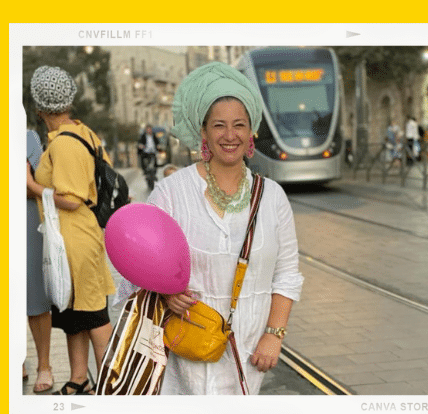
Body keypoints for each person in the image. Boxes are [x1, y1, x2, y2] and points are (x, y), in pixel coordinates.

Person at [117, 62, 303, 395]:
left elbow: (287, 274)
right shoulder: (172, 193)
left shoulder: (272, 197)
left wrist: (273, 336)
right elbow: (138, 262)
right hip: (183, 345)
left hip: (247, 348)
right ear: (203, 131)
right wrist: (165, 292)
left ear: (251, 132)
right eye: (219, 125)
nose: (229, 136)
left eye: (239, 125)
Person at [25, 66, 115, 395]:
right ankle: (79, 380)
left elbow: (71, 200)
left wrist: (32, 184)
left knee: (94, 317)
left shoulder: (63, 144)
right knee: (75, 318)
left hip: (76, 242)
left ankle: (112, 389)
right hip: (77, 240)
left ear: (39, 108)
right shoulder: (84, 131)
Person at [26, 128, 54, 393]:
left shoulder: (27, 138)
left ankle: (44, 364)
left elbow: (37, 185)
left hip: (25, 221)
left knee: (34, 295)